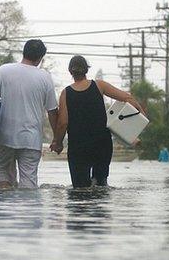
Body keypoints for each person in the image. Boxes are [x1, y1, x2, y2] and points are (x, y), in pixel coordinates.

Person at [0, 39, 58, 189]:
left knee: (3, 173)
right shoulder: (45, 77)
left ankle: (5, 206)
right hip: (31, 139)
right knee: (28, 181)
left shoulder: (4, 70)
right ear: (40, 58)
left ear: (24, 52)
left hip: (5, 136)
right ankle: (25, 209)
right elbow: (52, 111)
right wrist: (57, 139)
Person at [50, 55, 145, 188]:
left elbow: (63, 123)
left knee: (80, 190)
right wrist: (141, 113)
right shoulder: (99, 85)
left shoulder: (66, 93)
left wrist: (58, 142)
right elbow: (127, 98)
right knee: (100, 186)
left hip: (79, 147)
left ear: (70, 72)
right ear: (86, 70)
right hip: (102, 145)